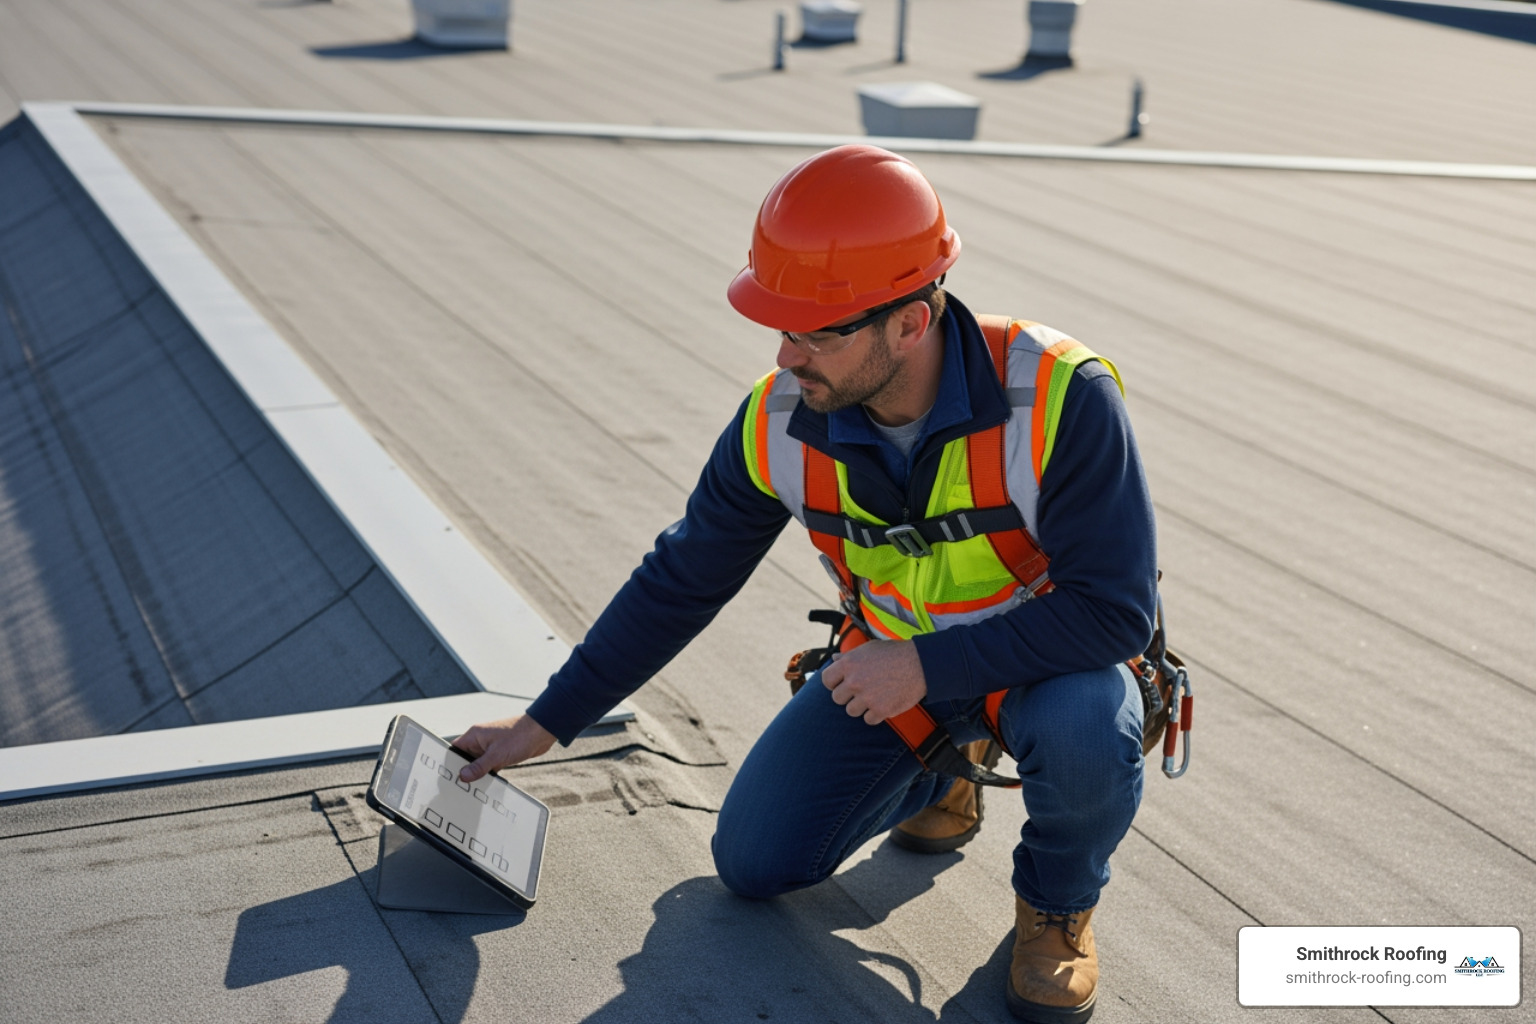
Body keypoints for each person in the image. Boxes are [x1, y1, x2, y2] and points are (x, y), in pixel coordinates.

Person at [456, 144, 1157, 1023]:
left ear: (912, 320)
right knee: (754, 864)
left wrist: (928, 668)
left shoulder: (1060, 396)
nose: (787, 356)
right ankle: (949, 769)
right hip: (897, 675)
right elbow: (683, 577)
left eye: (818, 331)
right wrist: (542, 723)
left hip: (1050, 665)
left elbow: (1115, 613)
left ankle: (1057, 906)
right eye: (779, 327)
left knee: (1090, 724)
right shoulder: (781, 419)